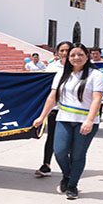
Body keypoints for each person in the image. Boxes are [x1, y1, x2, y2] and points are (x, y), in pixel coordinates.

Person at [33, 43, 103, 199]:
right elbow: (53, 97)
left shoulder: (96, 75)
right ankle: (67, 175)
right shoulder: (61, 74)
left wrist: (89, 120)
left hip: (85, 121)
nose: (76, 58)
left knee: (78, 155)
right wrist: (42, 116)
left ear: (87, 56)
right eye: (72, 55)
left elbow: (96, 99)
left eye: (80, 55)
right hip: (64, 118)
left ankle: (73, 185)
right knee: (59, 151)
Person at [35, 41, 71, 177]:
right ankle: (46, 165)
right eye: (62, 50)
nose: (64, 53)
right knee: (51, 137)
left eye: (67, 50)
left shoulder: (77, 67)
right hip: (55, 108)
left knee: (71, 140)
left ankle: (70, 168)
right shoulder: (51, 67)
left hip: (73, 110)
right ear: (57, 53)